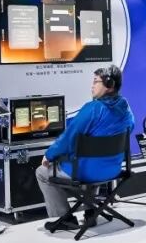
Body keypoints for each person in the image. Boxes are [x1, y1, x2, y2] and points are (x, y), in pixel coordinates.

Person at [36, 65, 135, 231]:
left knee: (42, 172)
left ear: (109, 85)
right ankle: (91, 212)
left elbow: (69, 138)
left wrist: (49, 155)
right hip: (113, 170)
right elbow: (130, 127)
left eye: (96, 82)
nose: (92, 86)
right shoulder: (125, 107)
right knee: (94, 161)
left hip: (87, 172)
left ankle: (64, 218)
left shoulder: (92, 109)